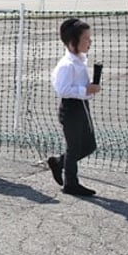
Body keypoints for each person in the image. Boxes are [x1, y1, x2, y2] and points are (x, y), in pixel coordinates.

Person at [49, 17, 101, 196]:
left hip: (82, 106)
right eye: (86, 39)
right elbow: (62, 89)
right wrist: (84, 89)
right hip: (71, 109)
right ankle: (71, 183)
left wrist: (89, 90)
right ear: (72, 43)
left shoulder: (80, 59)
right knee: (74, 147)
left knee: (89, 145)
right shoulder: (67, 64)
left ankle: (59, 162)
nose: (90, 42)